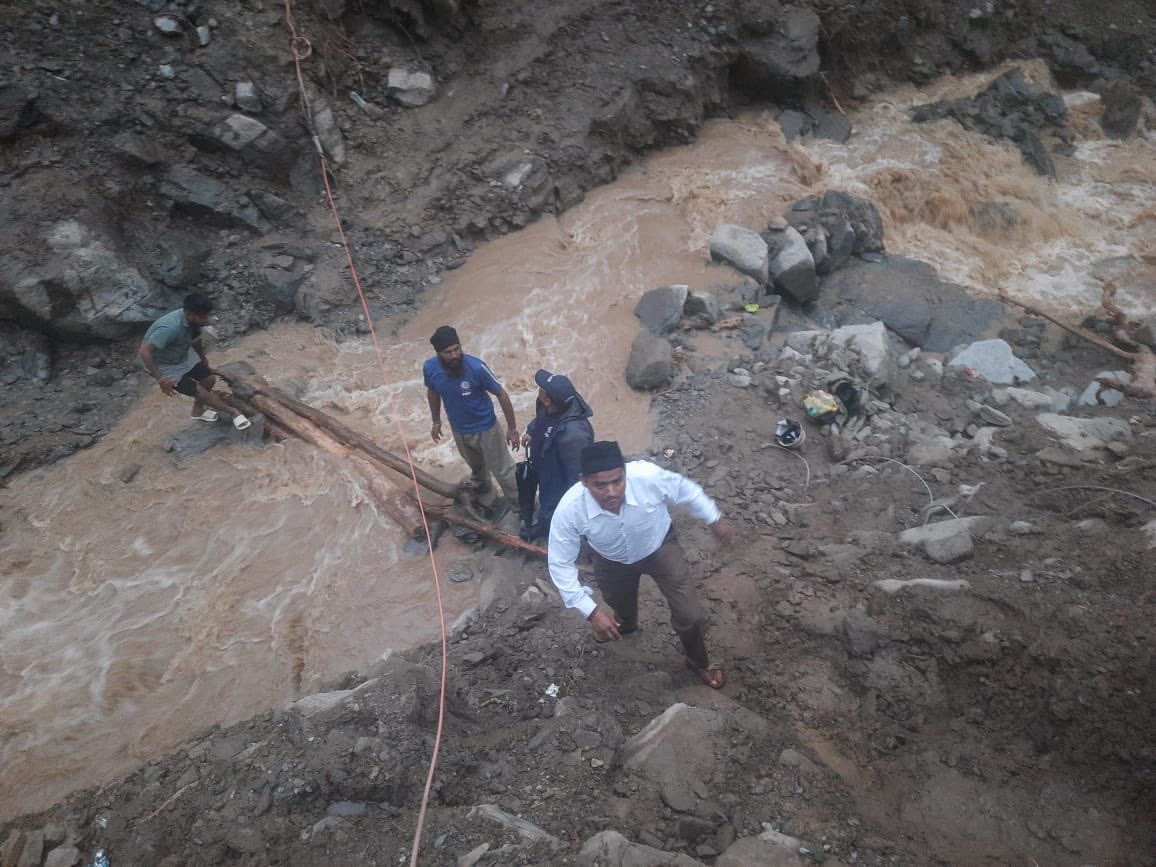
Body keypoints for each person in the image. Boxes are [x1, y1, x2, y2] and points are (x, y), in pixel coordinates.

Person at [547, 441, 734, 689]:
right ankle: (625, 625)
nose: (611, 492)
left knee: (690, 615)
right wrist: (592, 612)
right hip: (610, 559)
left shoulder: (648, 477)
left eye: (617, 481)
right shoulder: (570, 509)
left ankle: (697, 661)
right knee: (619, 604)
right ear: (584, 481)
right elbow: (559, 563)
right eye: (600, 485)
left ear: (625, 472)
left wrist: (714, 519)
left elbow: (685, 491)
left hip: (660, 547)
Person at [423, 325, 520, 519]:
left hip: (487, 429)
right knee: (477, 469)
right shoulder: (430, 368)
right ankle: (487, 498)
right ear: (438, 353)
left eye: (457, 349)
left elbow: (501, 394)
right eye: (448, 352)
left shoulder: (477, 367)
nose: (454, 355)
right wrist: (436, 421)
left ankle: (521, 507)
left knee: (504, 472)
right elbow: (432, 392)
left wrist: (512, 429)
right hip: (459, 430)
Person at [138, 293, 250, 430]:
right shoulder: (170, 328)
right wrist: (161, 379)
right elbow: (144, 352)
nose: (206, 320)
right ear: (190, 315)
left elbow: (195, 340)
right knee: (198, 391)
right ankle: (233, 412)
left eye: (207, 316)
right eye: (203, 317)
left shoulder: (194, 322)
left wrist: (203, 359)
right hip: (162, 364)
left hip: (180, 353)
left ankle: (198, 412)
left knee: (209, 379)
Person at [521, 368, 595, 540]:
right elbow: (542, 419)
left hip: (557, 477)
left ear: (548, 400)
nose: (538, 390)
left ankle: (552, 532)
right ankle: (546, 523)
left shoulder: (573, 435)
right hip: (545, 466)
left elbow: (577, 475)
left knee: (552, 504)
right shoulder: (552, 405)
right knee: (545, 499)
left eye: (541, 389)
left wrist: (571, 500)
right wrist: (531, 431)